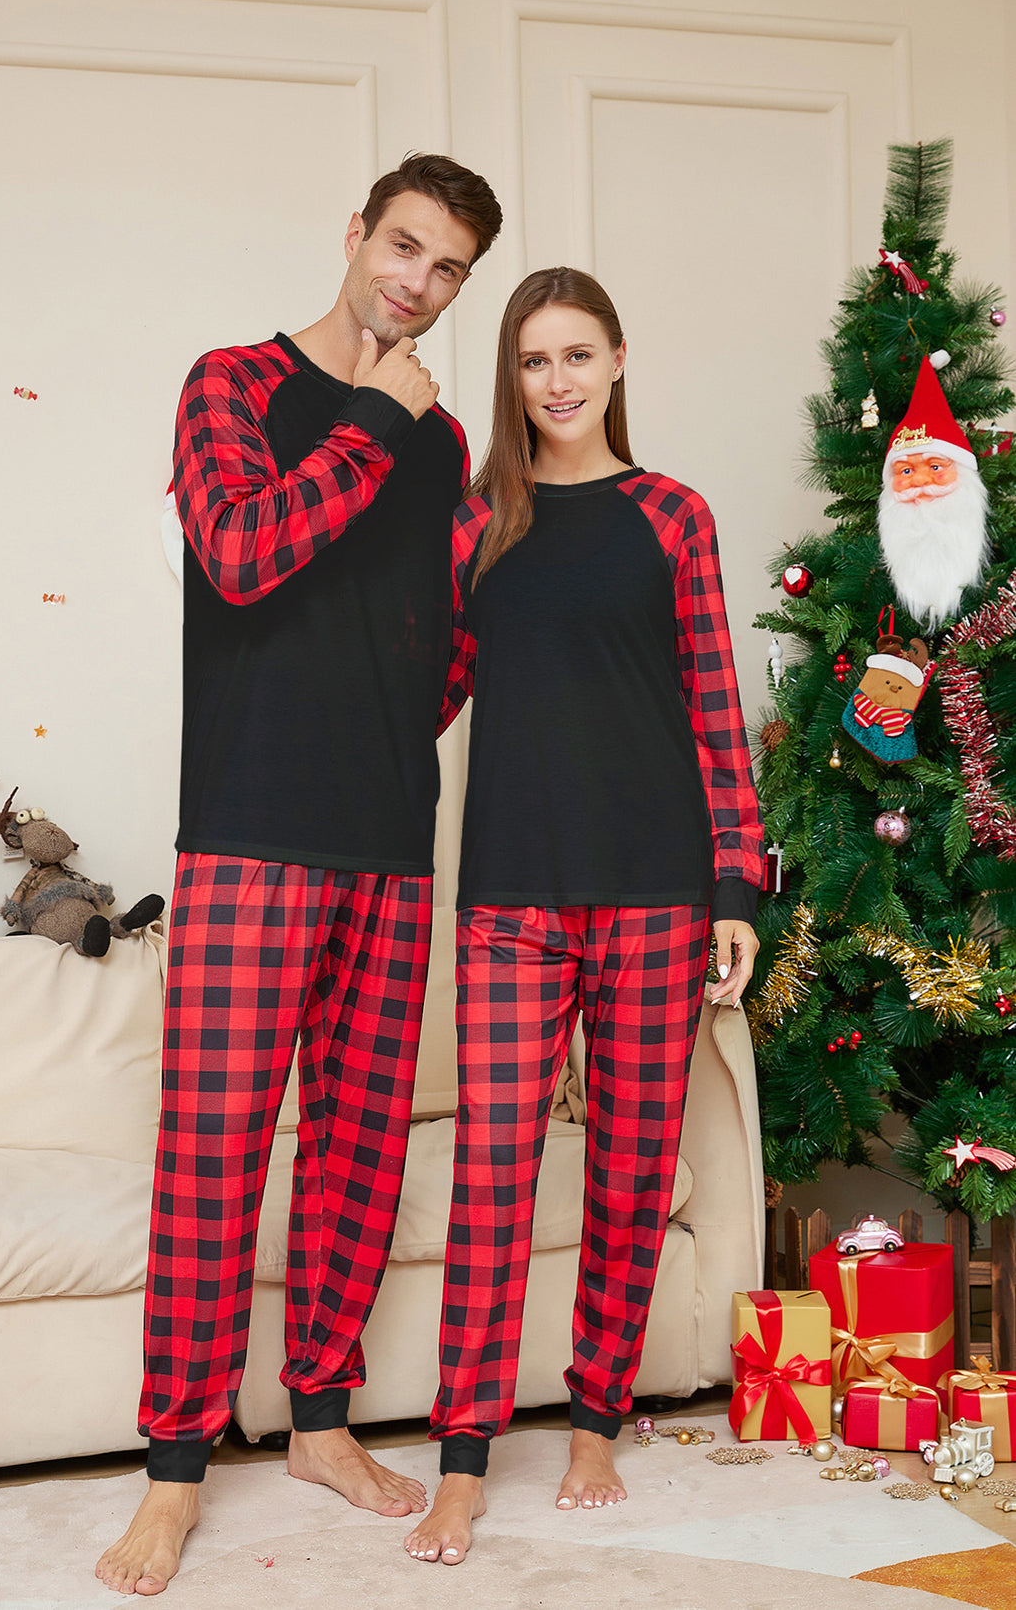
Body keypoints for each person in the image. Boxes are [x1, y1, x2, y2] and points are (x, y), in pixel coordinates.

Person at [96, 153, 501, 1597]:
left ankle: (320, 1425)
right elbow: (242, 551)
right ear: (355, 236)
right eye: (401, 247)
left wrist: (390, 718)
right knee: (213, 1158)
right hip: (250, 829)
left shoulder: (448, 447)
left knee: (356, 1152)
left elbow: (448, 635)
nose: (415, 283)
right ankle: (173, 1475)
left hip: (391, 837)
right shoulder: (235, 385)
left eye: (445, 268)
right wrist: (378, 425)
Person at [404, 267, 764, 1566]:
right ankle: (461, 1459)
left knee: (624, 1176)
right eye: (530, 360)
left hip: (656, 892)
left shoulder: (671, 515)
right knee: (493, 1182)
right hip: (507, 893)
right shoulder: (473, 522)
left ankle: (598, 1422)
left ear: (615, 360)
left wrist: (736, 884)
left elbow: (712, 703)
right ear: (511, 378)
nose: (553, 379)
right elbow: (425, 692)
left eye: (574, 354)